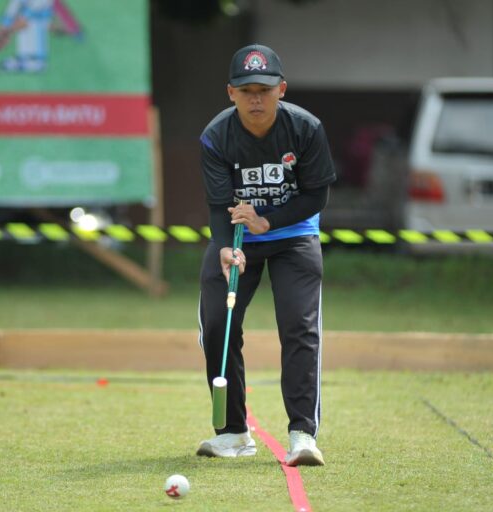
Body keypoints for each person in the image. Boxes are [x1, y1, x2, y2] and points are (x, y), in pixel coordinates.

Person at [196, 44, 336, 466]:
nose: (256, 98)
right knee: (217, 324)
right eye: (246, 90)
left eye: (264, 89)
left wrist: (268, 222)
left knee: (299, 327)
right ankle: (234, 433)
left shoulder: (306, 128)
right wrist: (225, 246)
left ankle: (302, 434)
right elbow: (219, 203)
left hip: (294, 235)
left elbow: (317, 194)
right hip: (239, 238)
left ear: (282, 90)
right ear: (231, 93)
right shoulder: (216, 136)